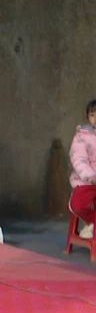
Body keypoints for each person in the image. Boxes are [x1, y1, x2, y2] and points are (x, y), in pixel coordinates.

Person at [68, 99, 96, 239]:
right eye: (92, 115)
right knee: (77, 204)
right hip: (86, 181)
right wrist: (91, 177)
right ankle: (93, 222)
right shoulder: (82, 136)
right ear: (87, 118)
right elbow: (78, 159)